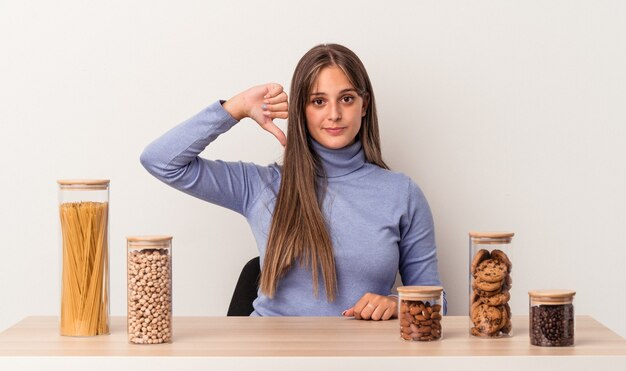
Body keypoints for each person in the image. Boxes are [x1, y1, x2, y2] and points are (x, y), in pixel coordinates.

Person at [141, 43, 445, 320]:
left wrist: (398, 303)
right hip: (270, 357)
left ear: (363, 106)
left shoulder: (401, 193)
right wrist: (236, 108)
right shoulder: (260, 185)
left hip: (362, 357)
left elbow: (438, 304)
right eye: (318, 101)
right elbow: (161, 161)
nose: (335, 114)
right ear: (301, 109)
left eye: (347, 99)